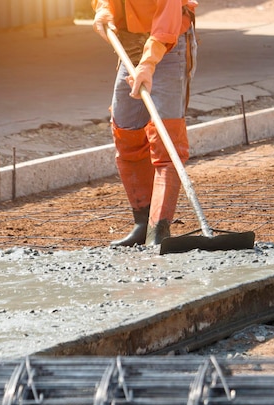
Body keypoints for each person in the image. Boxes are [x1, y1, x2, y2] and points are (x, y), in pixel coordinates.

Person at [92, 0, 198, 247]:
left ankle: (158, 229)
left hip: (169, 41)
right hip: (130, 41)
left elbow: (166, 25)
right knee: (125, 126)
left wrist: (148, 66)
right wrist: (103, 8)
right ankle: (142, 222)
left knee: (166, 136)